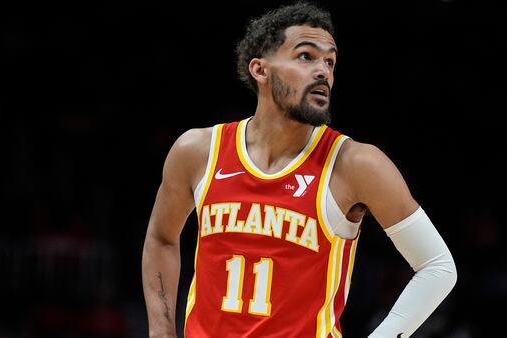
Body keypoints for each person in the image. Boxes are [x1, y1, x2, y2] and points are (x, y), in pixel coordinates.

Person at [141, 2, 457, 337]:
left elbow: (438, 267)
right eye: (306, 56)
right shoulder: (198, 151)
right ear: (261, 70)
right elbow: (161, 238)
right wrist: (161, 331)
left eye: (330, 61)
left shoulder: (355, 164)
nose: (323, 71)